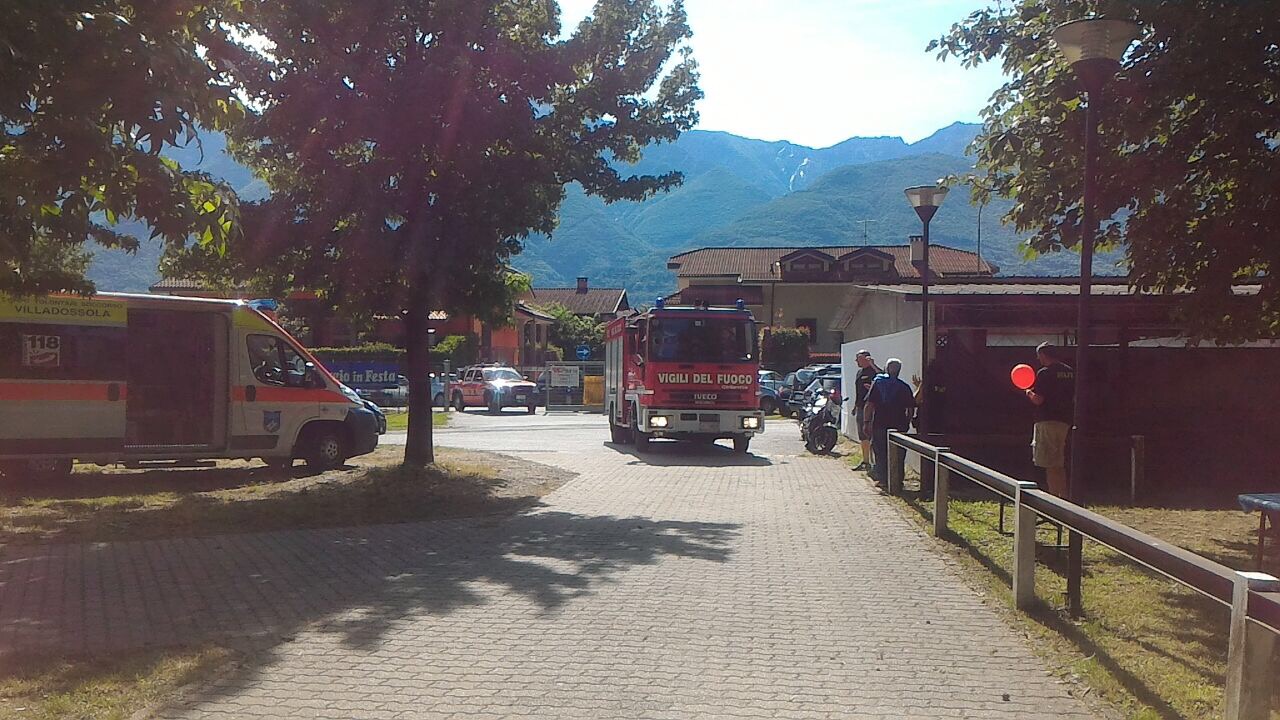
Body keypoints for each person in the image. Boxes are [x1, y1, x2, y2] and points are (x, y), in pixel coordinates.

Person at [1025, 342, 1075, 497]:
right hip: (1065, 420)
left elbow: (1039, 399)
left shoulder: (1044, 373)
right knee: (1059, 462)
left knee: (1050, 463)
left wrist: (1028, 392)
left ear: (1043, 355)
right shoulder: (1070, 372)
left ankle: (1053, 498)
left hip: (1047, 420)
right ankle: (1064, 496)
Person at [862, 358, 916, 487]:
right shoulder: (904, 387)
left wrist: (866, 422)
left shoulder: (878, 384)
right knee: (899, 454)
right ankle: (897, 480)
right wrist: (907, 422)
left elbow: (869, 404)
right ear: (899, 371)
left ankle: (883, 480)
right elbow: (910, 408)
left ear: (886, 369)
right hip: (899, 425)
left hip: (880, 423)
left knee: (880, 452)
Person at [852, 350, 881, 471]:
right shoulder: (859, 373)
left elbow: (884, 377)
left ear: (866, 359)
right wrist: (855, 406)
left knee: (872, 435)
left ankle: (876, 463)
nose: (856, 361)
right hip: (860, 407)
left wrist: (873, 365)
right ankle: (865, 461)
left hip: (871, 408)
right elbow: (858, 391)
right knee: (862, 435)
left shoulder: (874, 371)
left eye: (858, 359)